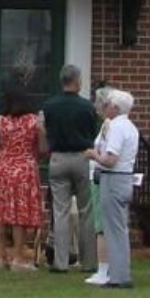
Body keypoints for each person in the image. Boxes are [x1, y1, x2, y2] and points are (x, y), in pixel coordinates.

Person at [0, 84, 46, 271]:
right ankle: (18, 259)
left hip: (3, 168)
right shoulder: (33, 121)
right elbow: (43, 148)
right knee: (19, 214)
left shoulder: (2, 120)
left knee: (0, 212)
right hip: (24, 169)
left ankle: (1, 256)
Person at [41, 64, 98, 274]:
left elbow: (45, 131)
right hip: (83, 157)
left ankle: (61, 262)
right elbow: (93, 134)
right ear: (77, 80)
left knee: (60, 211)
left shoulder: (49, 106)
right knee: (86, 211)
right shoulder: (87, 106)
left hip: (58, 158)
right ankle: (88, 262)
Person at [85, 88, 138, 288]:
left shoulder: (116, 127)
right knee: (119, 228)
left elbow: (110, 159)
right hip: (124, 178)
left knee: (113, 230)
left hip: (113, 179)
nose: (104, 108)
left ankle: (119, 276)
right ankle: (119, 273)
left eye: (107, 105)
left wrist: (94, 155)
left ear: (115, 107)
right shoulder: (130, 127)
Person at [84, 83, 115, 286]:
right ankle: (107, 268)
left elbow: (106, 153)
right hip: (101, 175)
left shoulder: (109, 126)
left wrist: (92, 154)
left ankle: (104, 269)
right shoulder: (108, 125)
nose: (95, 106)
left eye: (98, 102)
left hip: (101, 176)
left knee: (101, 225)